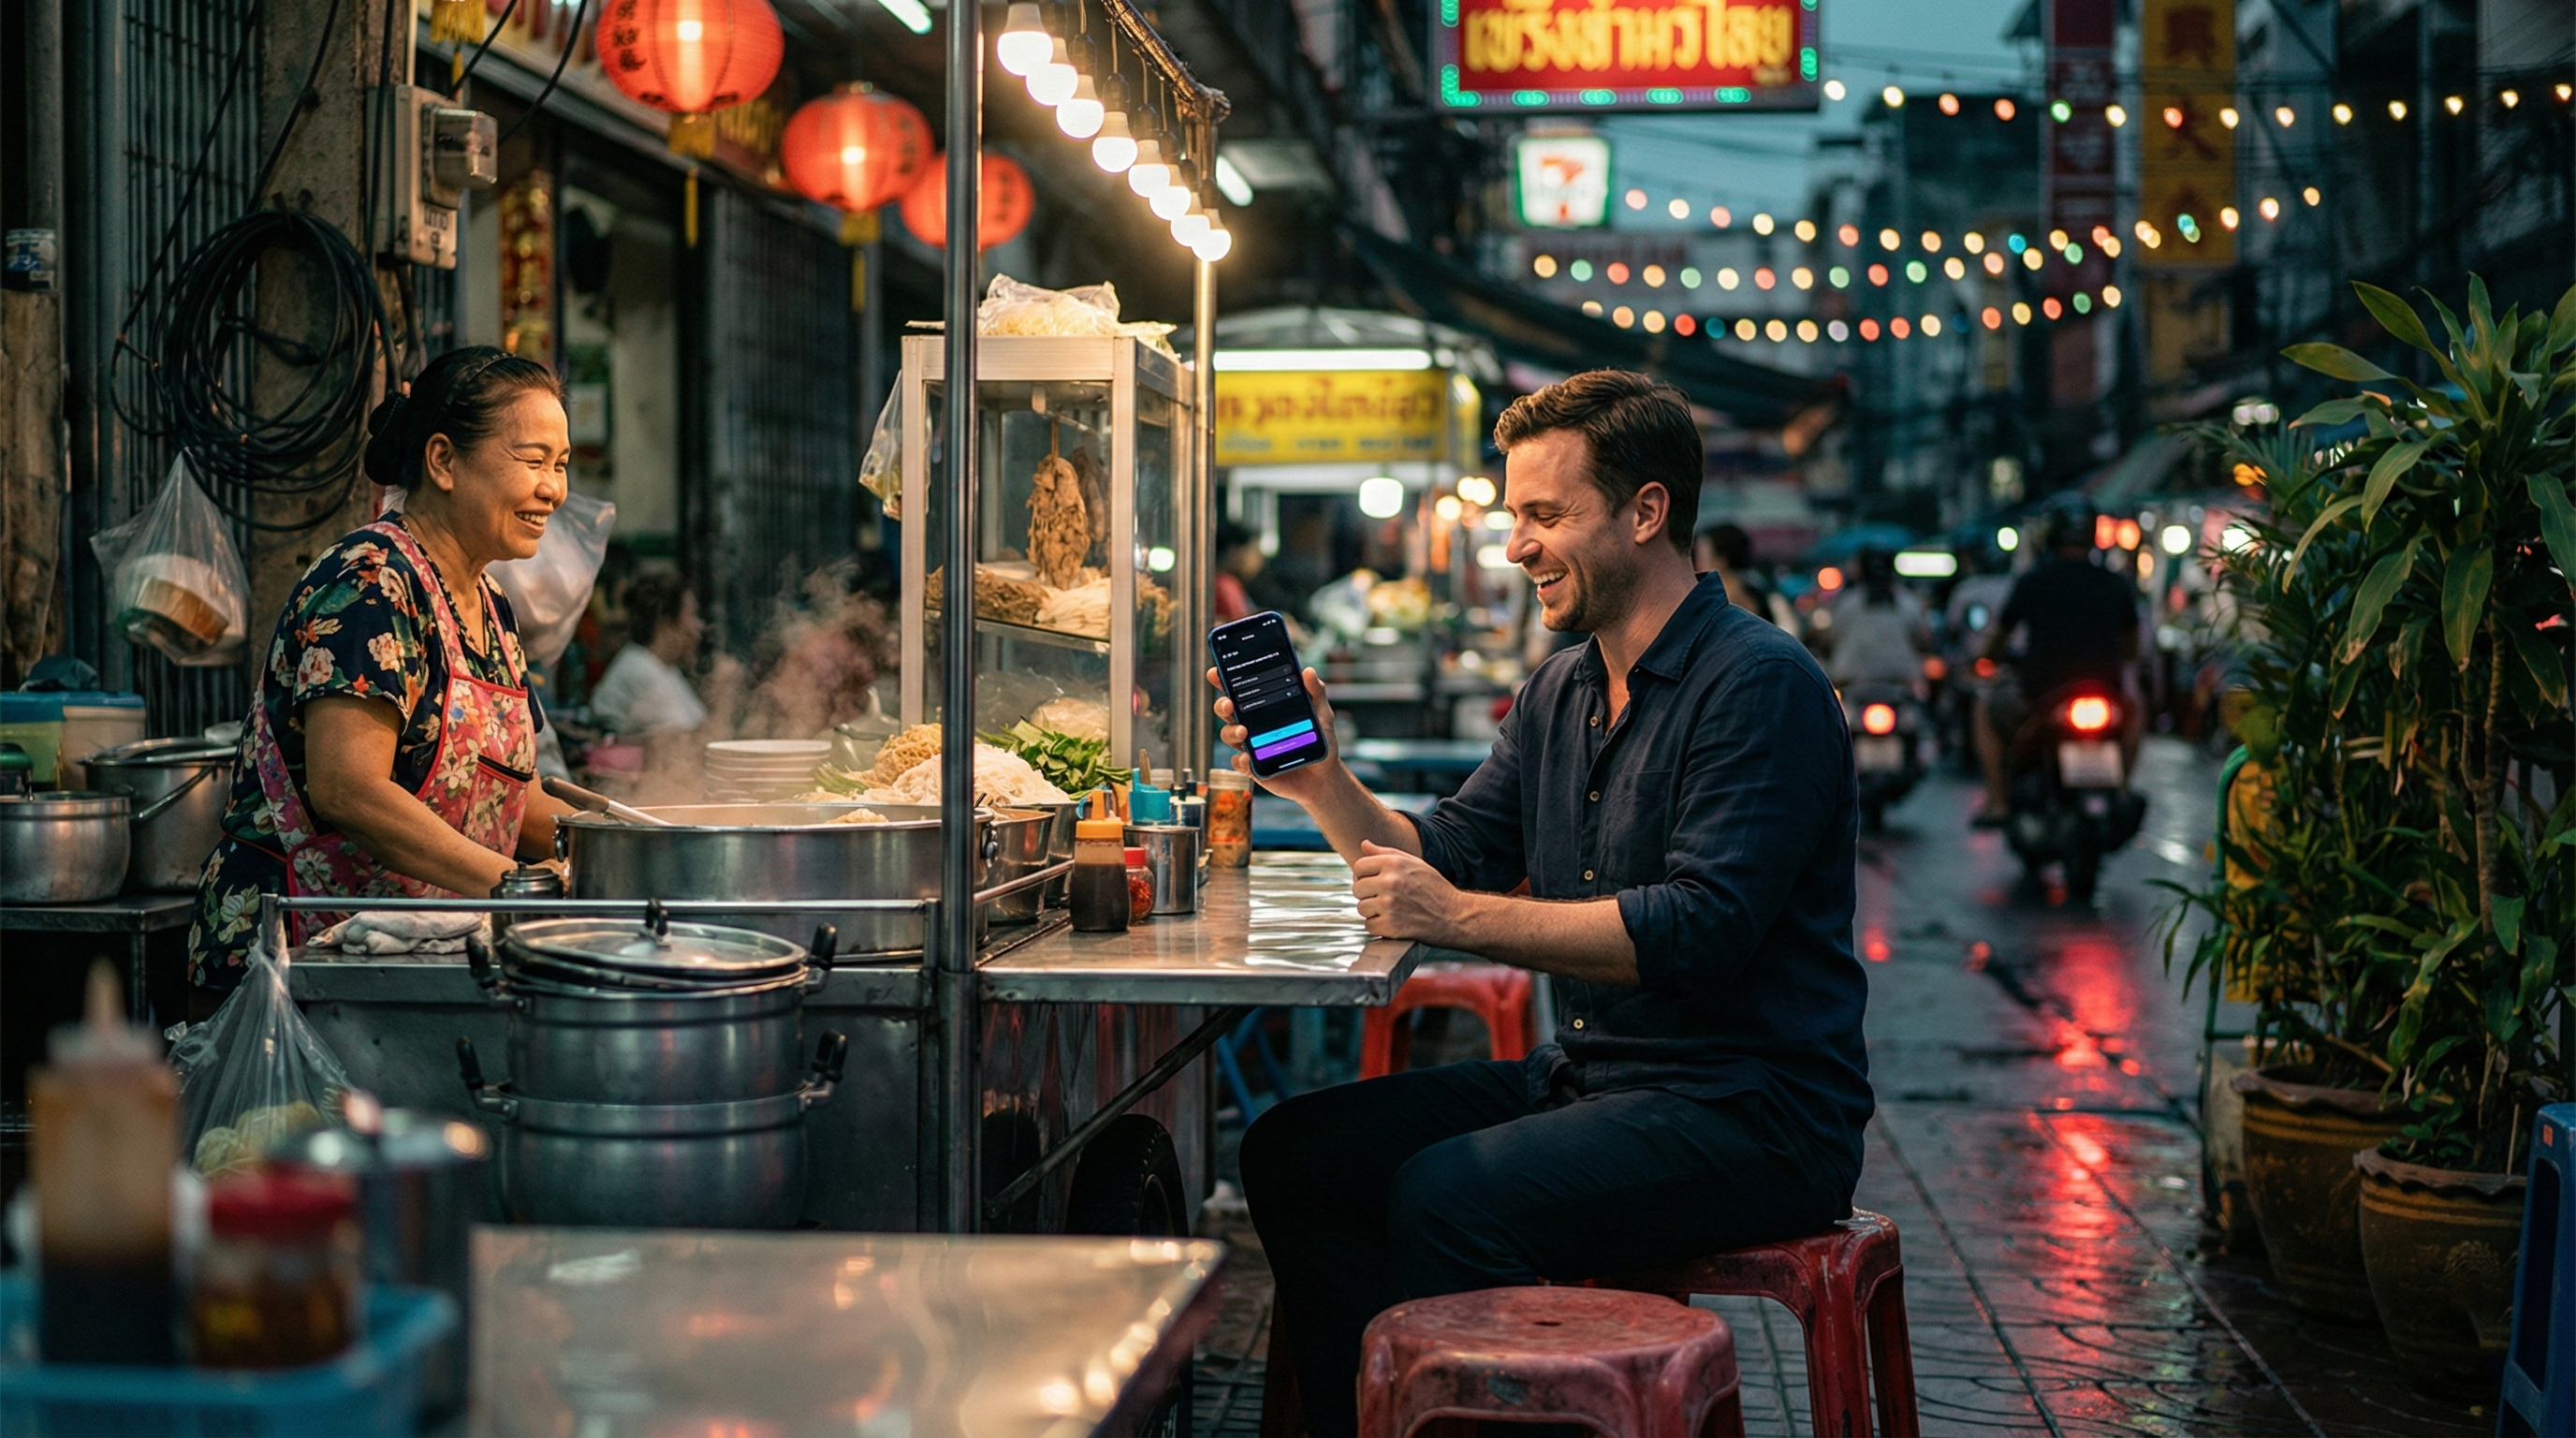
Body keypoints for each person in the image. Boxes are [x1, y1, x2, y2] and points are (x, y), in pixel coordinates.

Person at [1208, 370, 1869, 1437]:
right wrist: (1320, 781)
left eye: (1546, 515)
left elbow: (1696, 931)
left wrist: (1458, 918)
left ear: (1646, 511)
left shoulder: (1760, 684)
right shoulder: (1562, 689)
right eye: (1517, 514)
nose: (1517, 544)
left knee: (1447, 1197)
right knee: (1297, 1156)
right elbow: (1451, 851)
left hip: (1752, 1110)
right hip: (1595, 1077)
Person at [187, 346, 578, 991]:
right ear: (444, 461)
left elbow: (517, 797)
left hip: (399, 956)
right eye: (533, 460)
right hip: (294, 955)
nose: (554, 489)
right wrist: (514, 888)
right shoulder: (370, 583)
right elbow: (349, 789)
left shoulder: (491, 604)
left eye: (561, 465)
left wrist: (627, 846)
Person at [1973, 501, 2142, 825]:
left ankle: (1996, 800)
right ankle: (2121, 787)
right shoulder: (2115, 584)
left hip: (2038, 695)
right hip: (2107, 694)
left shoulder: (2033, 581)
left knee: (1983, 708)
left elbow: (2000, 637)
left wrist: (1987, 660)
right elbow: (2132, 647)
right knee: (2138, 712)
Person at [590, 572, 710, 736]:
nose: (699, 626)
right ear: (666, 624)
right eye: (692, 615)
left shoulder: (664, 669)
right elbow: (685, 738)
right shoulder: (639, 669)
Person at [1819, 548, 1931, 689]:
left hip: (1851, 680)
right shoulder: (1909, 602)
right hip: (1901, 681)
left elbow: (1831, 637)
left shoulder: (1846, 603)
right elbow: (1924, 639)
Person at [1693, 521, 1793, 628]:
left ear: (1722, 560)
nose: (1698, 563)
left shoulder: (1737, 593)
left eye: (1702, 556)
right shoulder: (1755, 584)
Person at [1213, 520, 1264, 624]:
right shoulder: (1225, 585)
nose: (1260, 559)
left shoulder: (1223, 583)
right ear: (1234, 551)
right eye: (1253, 551)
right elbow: (1240, 626)